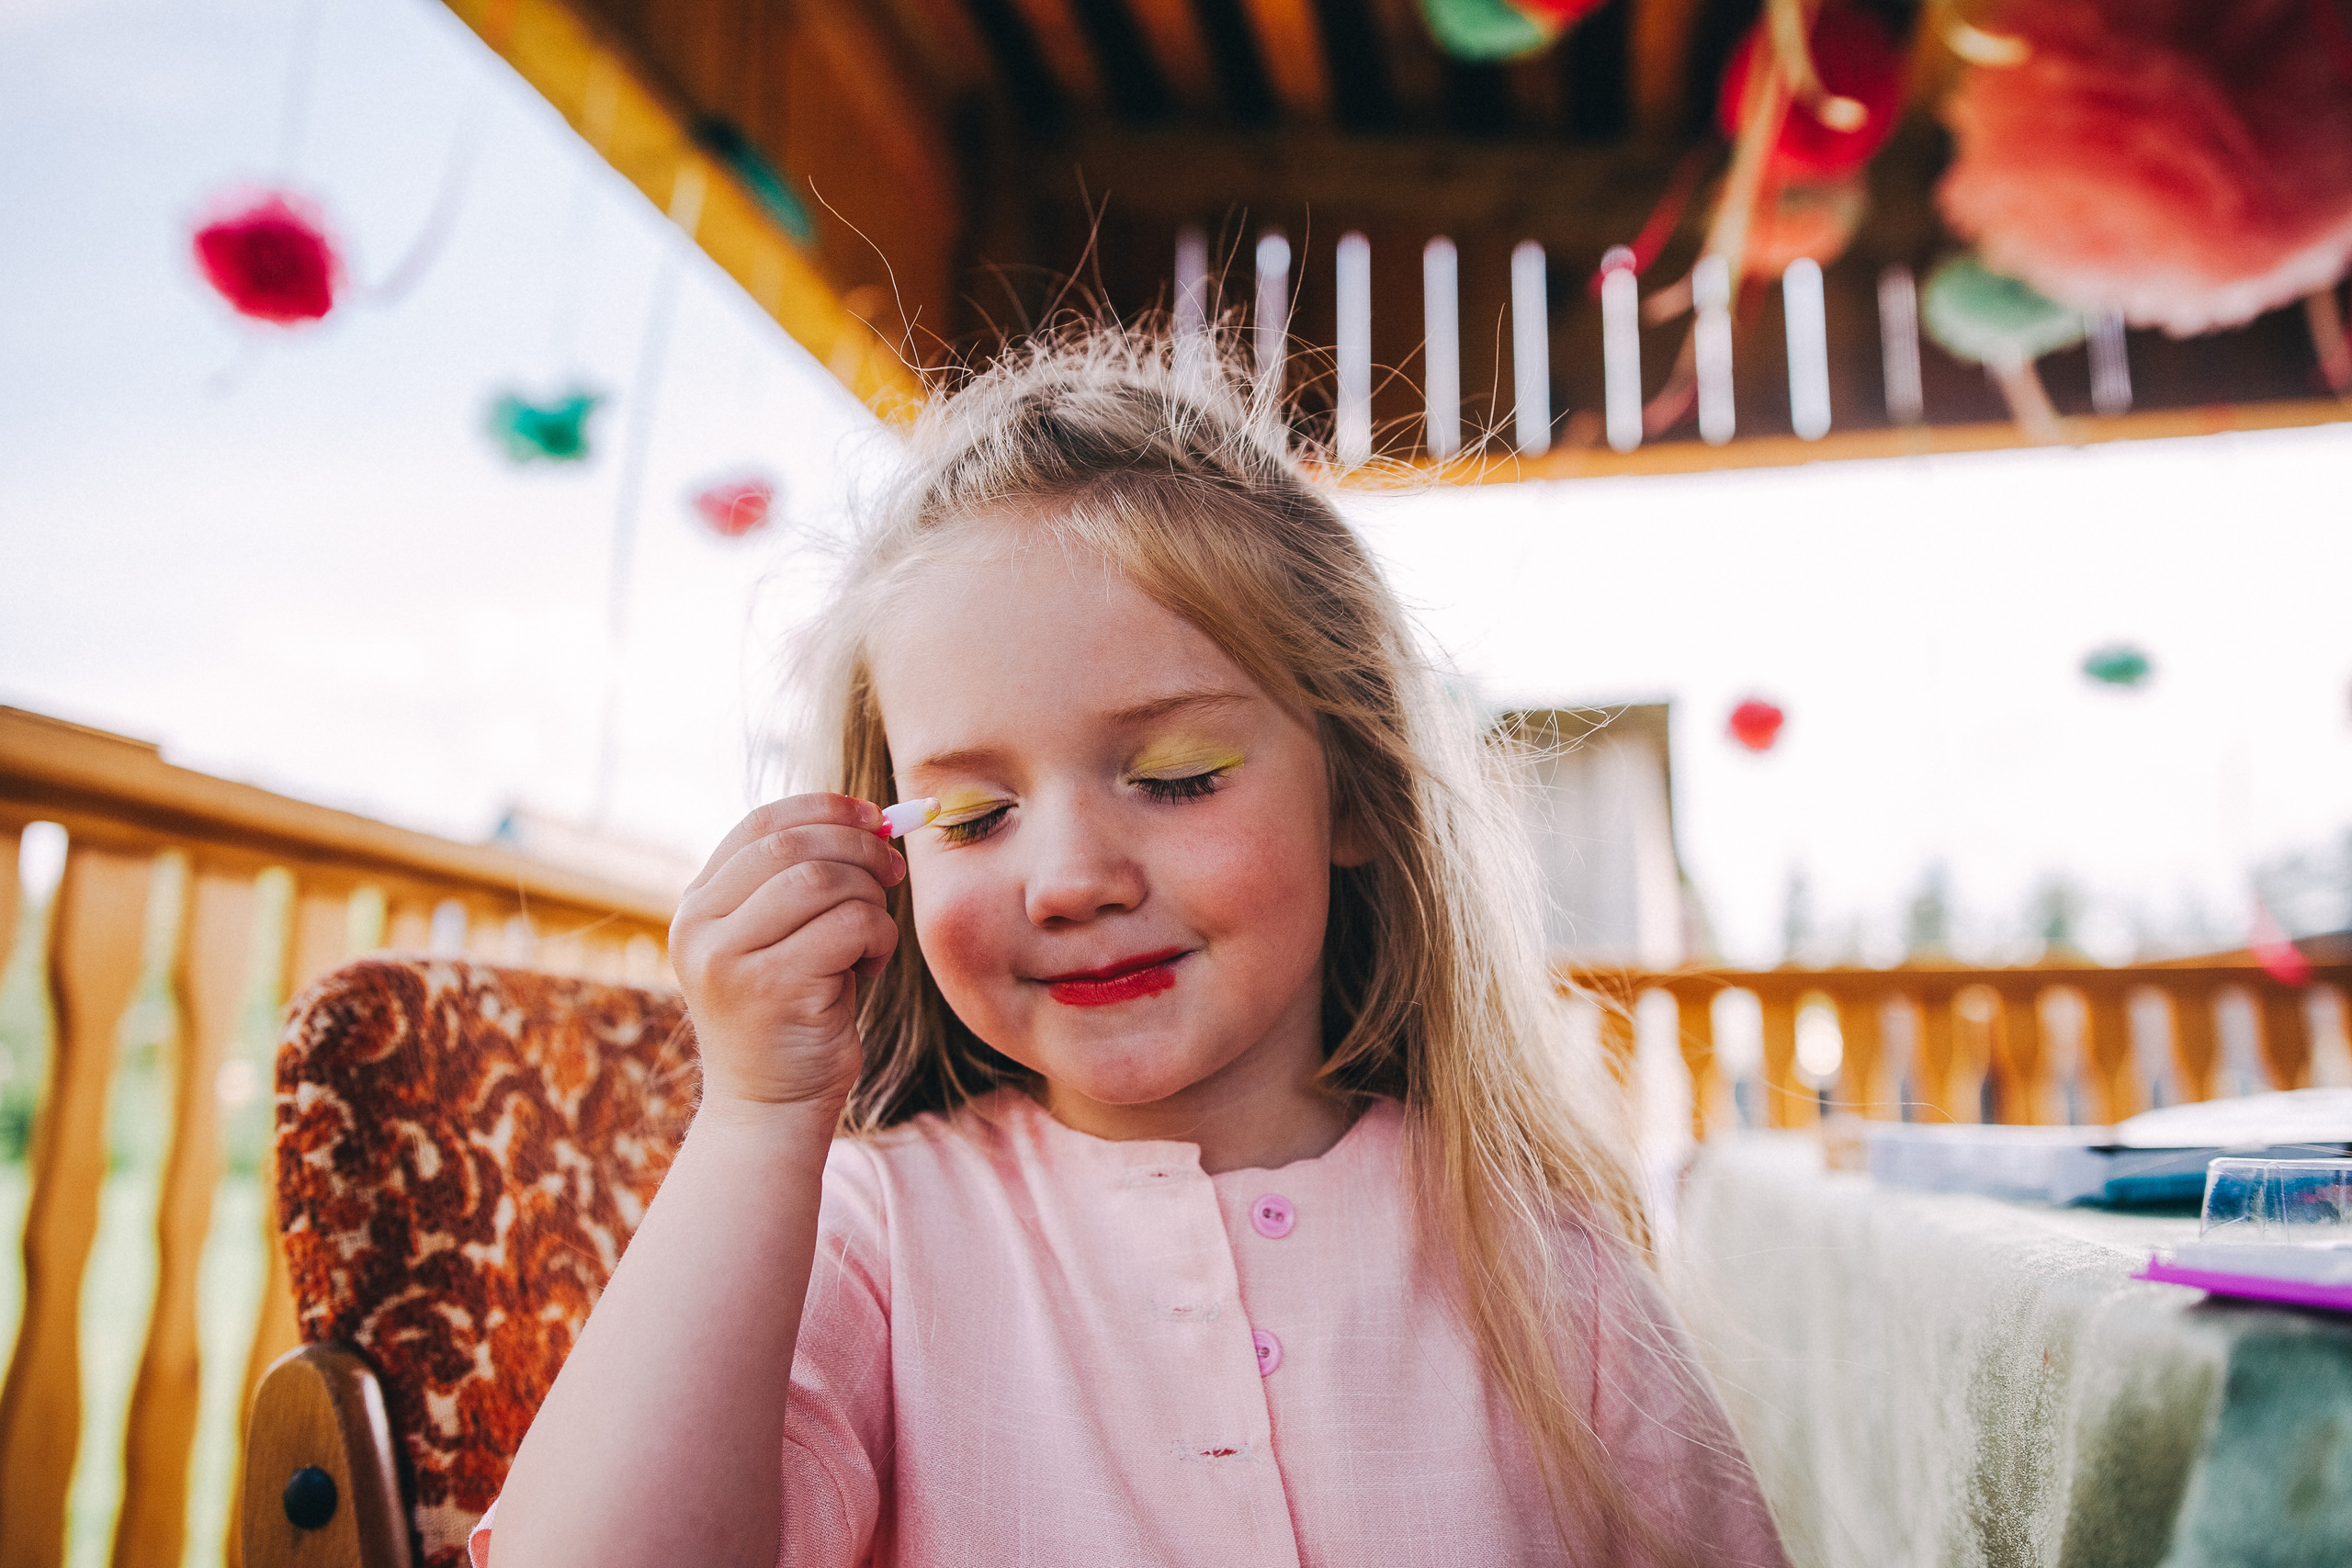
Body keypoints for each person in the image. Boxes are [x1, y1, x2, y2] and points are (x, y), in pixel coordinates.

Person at [478, 326, 1786, 1568]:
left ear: (1360, 796)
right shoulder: (875, 1239)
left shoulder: (1544, 1262)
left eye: (1174, 777)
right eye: (975, 814)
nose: (1069, 881)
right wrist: (759, 1120)